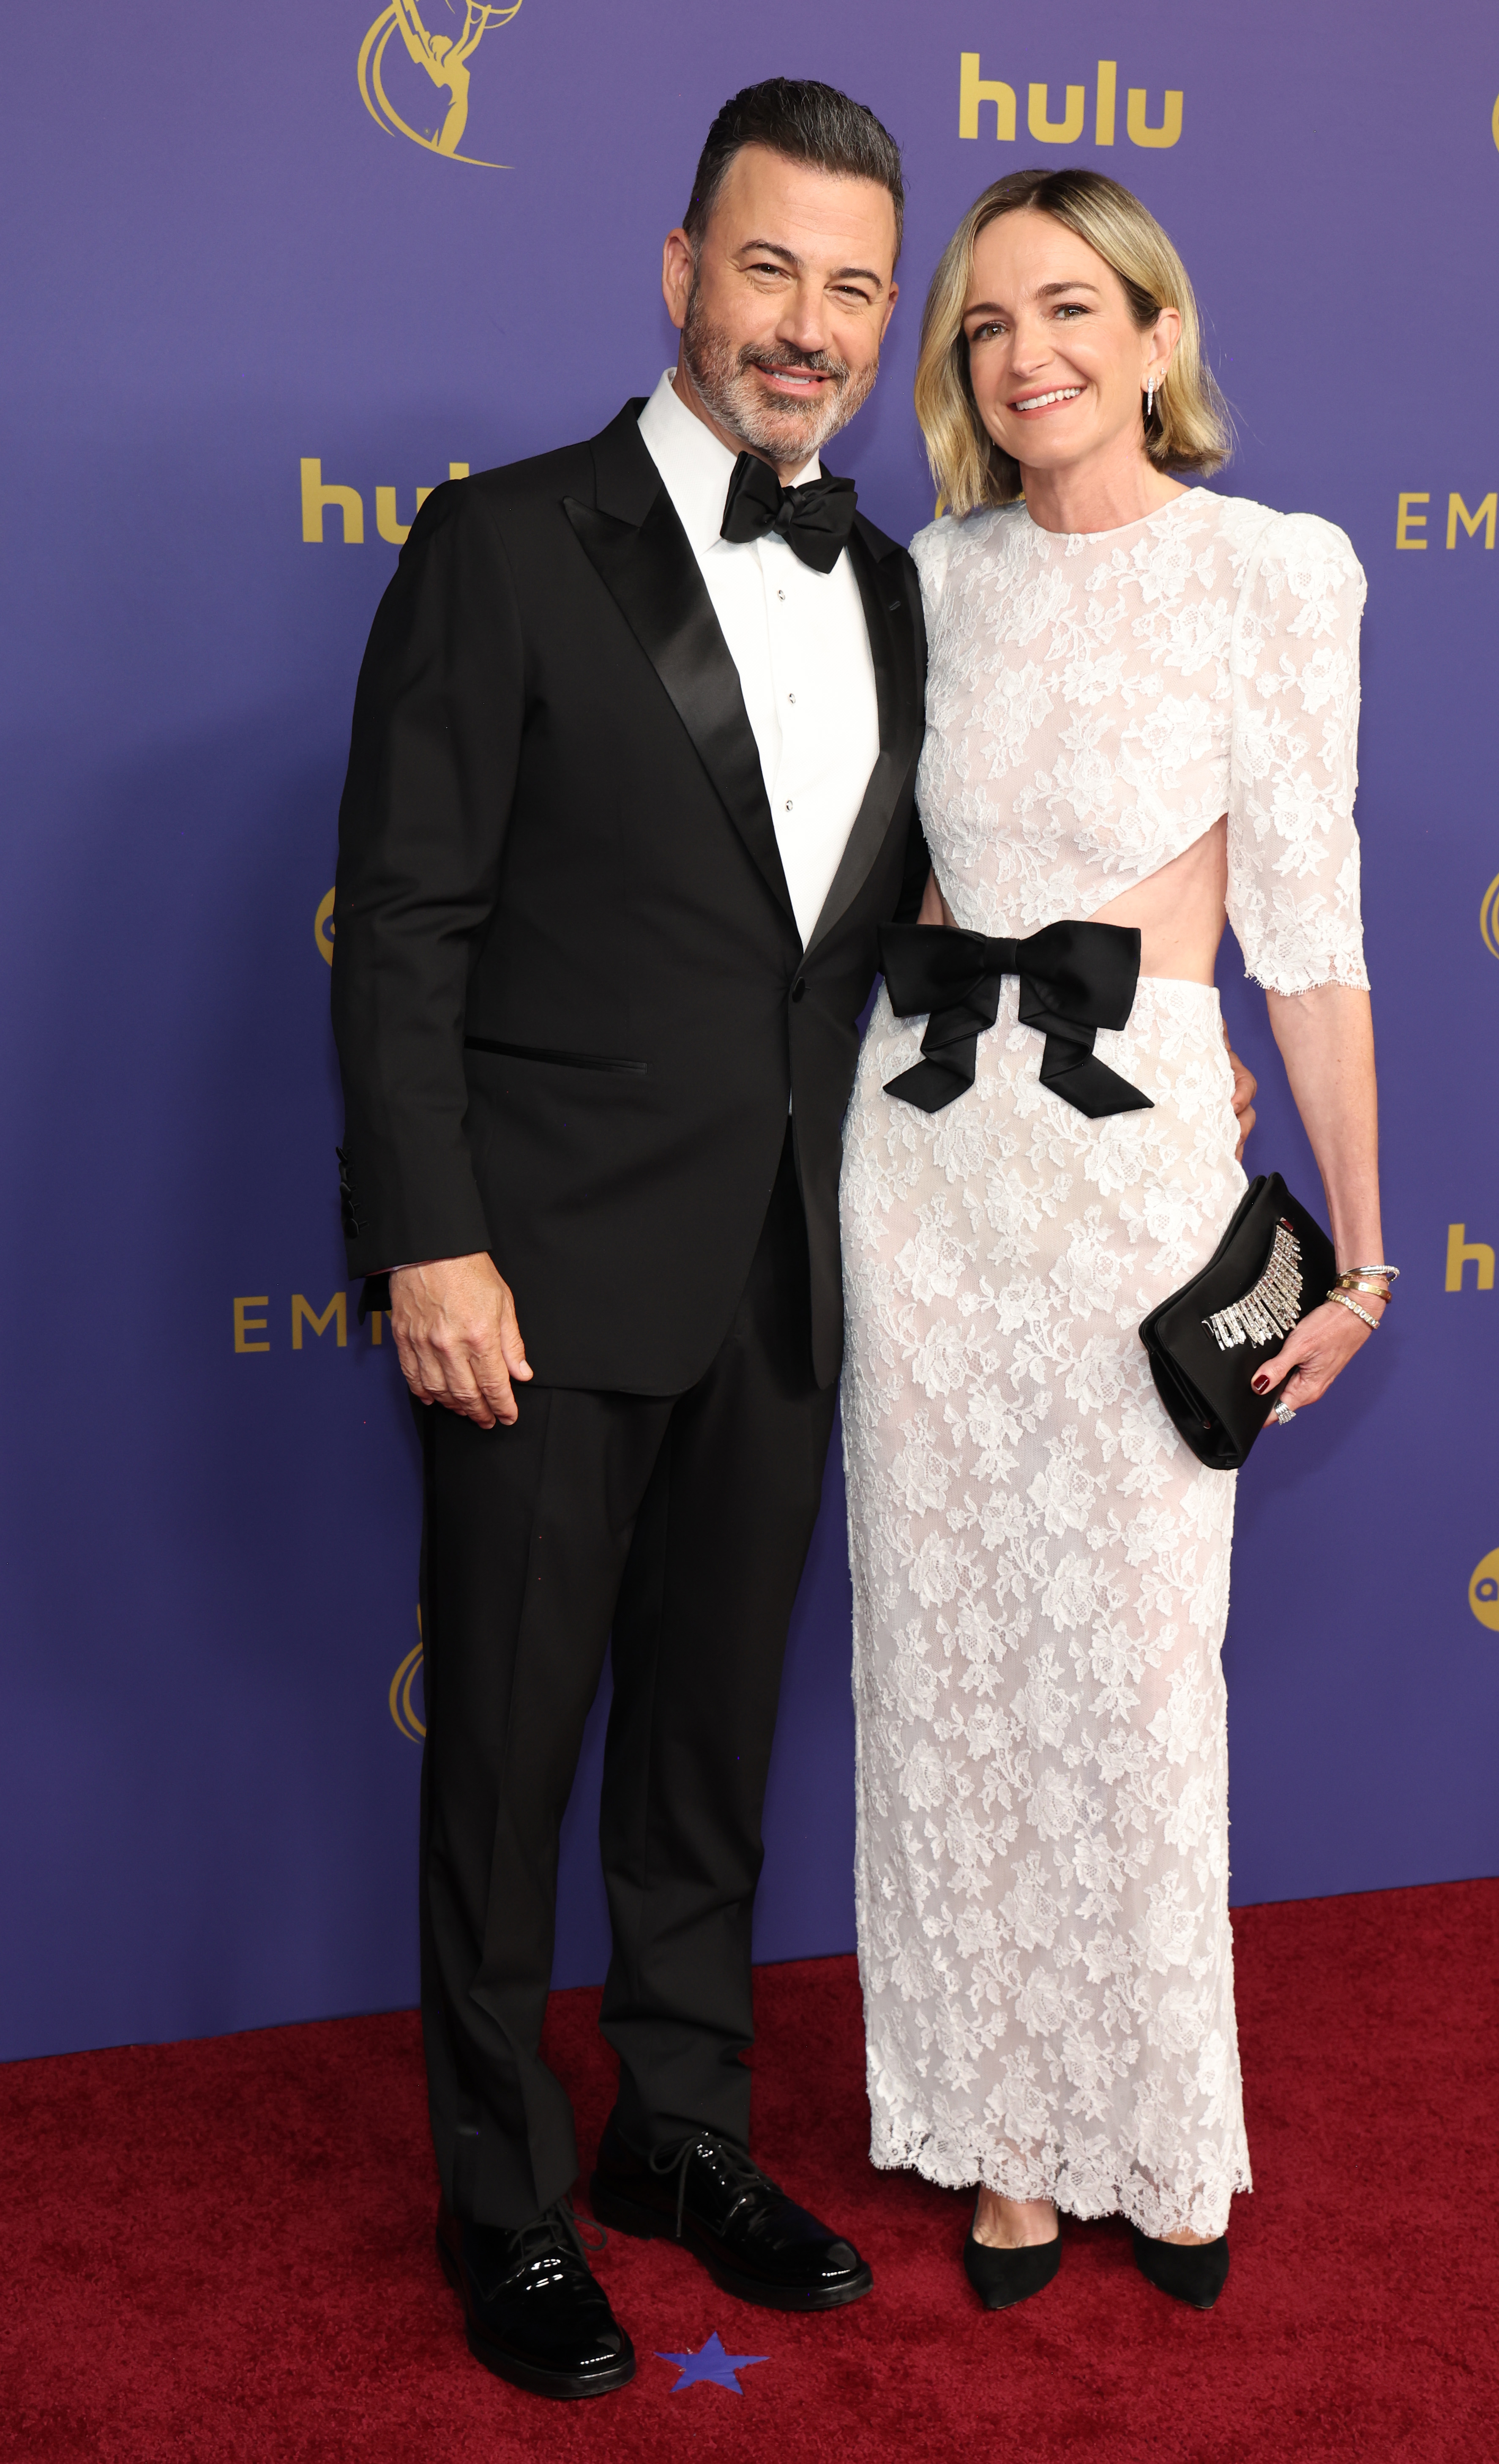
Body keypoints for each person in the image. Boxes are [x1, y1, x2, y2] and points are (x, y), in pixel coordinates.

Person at [330, 80, 928, 2402]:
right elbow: (405, 930)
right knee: (500, 1758)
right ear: (679, 270)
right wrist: (430, 1243)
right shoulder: (499, 545)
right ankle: (504, 2193)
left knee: (708, 1754)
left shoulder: (882, 580)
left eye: (855, 286)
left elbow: (858, 942)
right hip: (542, 1272)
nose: (809, 326)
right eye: (769, 268)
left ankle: (677, 2130)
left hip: (788, 1268)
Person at [839, 168, 1391, 2316]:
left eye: (1070, 308)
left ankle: (1159, 2129)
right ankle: (996, 2138)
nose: (1025, 354)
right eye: (983, 326)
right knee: (948, 1678)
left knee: (1143, 1678)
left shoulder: (1275, 573)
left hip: (1136, 1172)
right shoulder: (932, 582)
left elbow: (1314, 936)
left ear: (1157, 333)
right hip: (928, 1182)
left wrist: (1369, 1253)